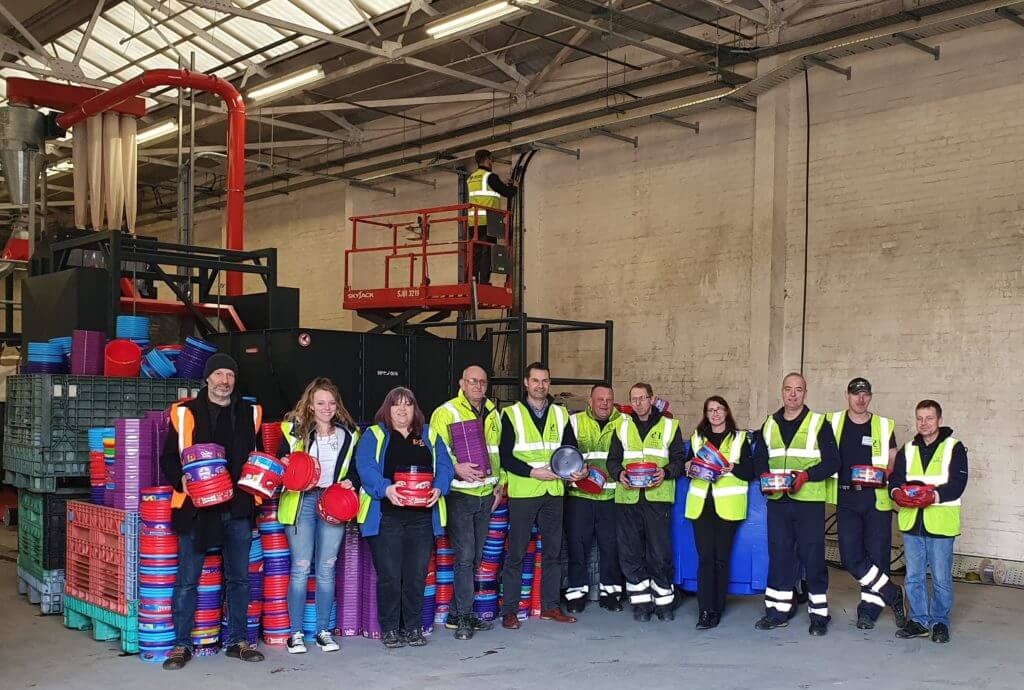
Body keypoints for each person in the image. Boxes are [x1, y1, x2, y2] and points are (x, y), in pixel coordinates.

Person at [159, 353, 265, 670]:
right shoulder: (184, 412)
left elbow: (258, 457)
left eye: (229, 375)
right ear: (207, 379)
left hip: (238, 507)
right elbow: (167, 459)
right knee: (187, 580)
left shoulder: (250, 413)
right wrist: (183, 481)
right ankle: (181, 646)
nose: (224, 381)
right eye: (218, 374)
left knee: (239, 579)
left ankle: (237, 641)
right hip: (196, 508)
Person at [356, 387, 454, 649]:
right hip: (387, 517)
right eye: (396, 405)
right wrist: (385, 488)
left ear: (415, 409)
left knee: (416, 575)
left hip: (421, 519)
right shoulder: (374, 435)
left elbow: (445, 466)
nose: (402, 410)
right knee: (390, 575)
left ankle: (412, 627)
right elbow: (365, 467)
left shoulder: (429, 435)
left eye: (408, 404)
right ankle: (390, 629)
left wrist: (439, 487)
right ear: (386, 409)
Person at [276, 378, 361, 654]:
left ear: (337, 406)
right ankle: (296, 634)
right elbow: (279, 466)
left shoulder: (349, 434)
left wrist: (351, 482)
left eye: (331, 403)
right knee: (300, 568)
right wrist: (286, 465)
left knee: (326, 569)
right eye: (321, 403)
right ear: (310, 405)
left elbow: (355, 469)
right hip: (302, 502)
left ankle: (324, 631)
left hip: (332, 502)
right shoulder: (292, 431)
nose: (327, 408)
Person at [752, 372, 840, 636]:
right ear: (782, 392)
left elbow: (832, 462)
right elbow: (760, 459)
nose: (793, 394)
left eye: (798, 389)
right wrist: (765, 477)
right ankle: (777, 612)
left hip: (808, 501)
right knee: (779, 556)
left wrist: (806, 476)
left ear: (805, 393)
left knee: (812, 557)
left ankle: (819, 615)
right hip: (778, 501)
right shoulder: (769, 423)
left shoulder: (818, 423)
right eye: (788, 389)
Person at [498, 362, 583, 629]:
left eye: (545, 381)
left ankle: (550, 607)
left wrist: (578, 470)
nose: (540, 386)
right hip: (525, 491)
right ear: (526, 382)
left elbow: (571, 450)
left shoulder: (560, 414)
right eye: (535, 380)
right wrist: (533, 473)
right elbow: (505, 457)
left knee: (554, 553)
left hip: (554, 491)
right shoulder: (511, 414)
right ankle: (510, 611)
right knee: (517, 553)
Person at [825, 378, 907, 631]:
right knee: (851, 557)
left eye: (865, 394)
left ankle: (868, 612)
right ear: (847, 395)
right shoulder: (832, 422)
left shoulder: (883, 425)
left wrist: (888, 472)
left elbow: (894, 458)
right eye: (855, 394)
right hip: (847, 497)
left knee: (878, 556)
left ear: (870, 396)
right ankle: (892, 593)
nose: (860, 399)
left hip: (876, 498)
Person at [429, 365, 503, 640]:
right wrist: (456, 468)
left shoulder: (494, 412)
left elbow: (498, 452)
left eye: (482, 382)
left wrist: (500, 484)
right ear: (462, 382)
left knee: (474, 560)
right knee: (465, 558)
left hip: (487, 495)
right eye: (473, 381)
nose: (478, 386)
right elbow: (436, 451)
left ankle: (458, 612)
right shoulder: (446, 411)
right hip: (460, 495)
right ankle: (462, 617)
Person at [607, 382, 686, 622]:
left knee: (659, 553)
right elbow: (612, 461)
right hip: (628, 498)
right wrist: (619, 474)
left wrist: (667, 472)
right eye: (634, 399)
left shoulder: (670, 426)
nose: (638, 402)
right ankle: (641, 604)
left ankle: (664, 603)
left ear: (652, 399)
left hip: (657, 498)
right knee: (631, 552)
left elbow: (679, 460)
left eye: (643, 398)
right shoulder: (620, 426)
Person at [890, 400, 968, 644]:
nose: (924, 423)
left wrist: (933, 495)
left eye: (929, 418)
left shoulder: (954, 448)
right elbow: (895, 480)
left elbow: (958, 484)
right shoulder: (908, 449)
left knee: (941, 577)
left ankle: (940, 623)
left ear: (939, 420)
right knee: (913, 576)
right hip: (913, 522)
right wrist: (896, 494)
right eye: (920, 418)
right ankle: (919, 621)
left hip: (940, 523)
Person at [684, 396, 756, 629]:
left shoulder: (739, 439)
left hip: (728, 507)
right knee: (705, 559)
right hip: (701, 506)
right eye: (710, 410)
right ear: (706, 414)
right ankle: (705, 610)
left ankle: (718, 606)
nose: (715, 414)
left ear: (727, 412)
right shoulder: (697, 439)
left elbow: (750, 471)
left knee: (721, 559)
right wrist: (689, 467)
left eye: (719, 409)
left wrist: (733, 467)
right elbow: (688, 467)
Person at [564, 383, 625, 614]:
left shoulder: (624, 423)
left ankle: (611, 595)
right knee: (578, 547)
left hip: (611, 495)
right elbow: (564, 457)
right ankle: (576, 595)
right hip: (580, 494)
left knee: (611, 548)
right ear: (590, 400)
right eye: (600, 399)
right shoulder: (575, 421)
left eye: (609, 399)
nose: (605, 404)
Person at [467, 148, 516, 285]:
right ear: (488, 159)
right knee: (487, 251)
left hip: (473, 221)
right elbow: (506, 192)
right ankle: (483, 281)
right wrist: (515, 187)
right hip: (490, 219)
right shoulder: (490, 177)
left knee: (475, 253)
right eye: (491, 159)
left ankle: (473, 281)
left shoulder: (471, 178)